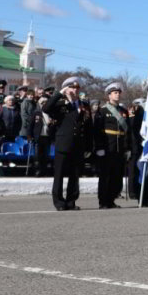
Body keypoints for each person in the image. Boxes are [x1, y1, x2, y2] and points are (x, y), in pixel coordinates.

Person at [43, 77, 91, 211]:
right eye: (72, 87)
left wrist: (88, 146)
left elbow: (88, 126)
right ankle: (59, 202)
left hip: (78, 144)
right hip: (63, 143)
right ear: (66, 88)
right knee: (59, 175)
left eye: (77, 88)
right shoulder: (60, 104)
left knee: (75, 176)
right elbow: (46, 108)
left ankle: (71, 201)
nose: (75, 90)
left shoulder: (84, 104)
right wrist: (59, 93)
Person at [93, 83, 131, 209]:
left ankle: (111, 200)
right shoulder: (103, 111)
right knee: (105, 176)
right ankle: (103, 201)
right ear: (109, 95)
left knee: (116, 176)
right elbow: (98, 130)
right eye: (115, 92)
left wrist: (127, 148)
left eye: (119, 92)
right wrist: (99, 148)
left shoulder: (124, 111)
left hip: (120, 148)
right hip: (107, 148)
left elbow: (127, 132)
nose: (118, 94)